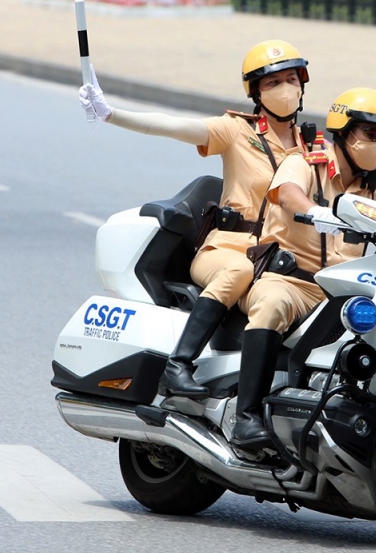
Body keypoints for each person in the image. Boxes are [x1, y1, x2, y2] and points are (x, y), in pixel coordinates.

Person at [79, 40, 321, 399]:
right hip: (225, 250)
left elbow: (363, 170)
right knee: (237, 270)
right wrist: (111, 113)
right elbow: (172, 125)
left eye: (291, 79)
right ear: (256, 92)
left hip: (275, 257)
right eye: (273, 83)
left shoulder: (311, 147)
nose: (285, 89)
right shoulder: (237, 131)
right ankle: (179, 364)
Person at [231, 87, 376, 448]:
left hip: (342, 293)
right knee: (272, 305)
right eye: (370, 133)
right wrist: (316, 210)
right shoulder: (306, 162)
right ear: (344, 131)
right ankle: (245, 417)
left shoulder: (375, 188)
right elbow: (288, 192)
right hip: (291, 280)